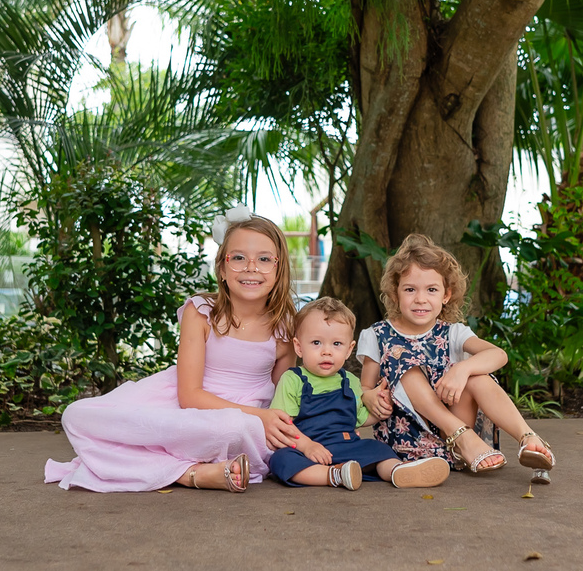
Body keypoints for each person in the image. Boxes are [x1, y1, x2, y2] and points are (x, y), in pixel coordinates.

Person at [44, 208, 300, 493]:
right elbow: (189, 396)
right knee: (76, 415)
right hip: (185, 405)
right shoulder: (201, 312)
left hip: (243, 422)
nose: (251, 267)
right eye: (238, 257)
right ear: (222, 268)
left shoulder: (285, 329)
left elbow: (283, 396)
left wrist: (264, 419)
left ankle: (188, 463)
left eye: (264, 259)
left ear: (279, 269)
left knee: (232, 428)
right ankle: (188, 472)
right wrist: (258, 417)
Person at [357, 234, 556, 477]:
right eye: (410, 289)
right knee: (404, 362)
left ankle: (528, 438)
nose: (420, 299)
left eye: (431, 289)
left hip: (456, 448)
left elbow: (498, 355)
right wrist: (368, 396)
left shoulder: (453, 333)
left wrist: (462, 369)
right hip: (408, 444)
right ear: (395, 294)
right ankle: (463, 437)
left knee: (477, 376)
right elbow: (365, 385)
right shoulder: (377, 334)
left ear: (446, 295)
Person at [267, 298, 451, 490]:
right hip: (309, 449)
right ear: (298, 347)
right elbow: (283, 425)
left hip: (347, 446)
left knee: (378, 449)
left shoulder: (350, 381)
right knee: (281, 459)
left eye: (337, 344)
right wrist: (307, 446)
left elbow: (361, 418)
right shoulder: (293, 379)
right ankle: (334, 475)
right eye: (316, 343)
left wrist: (382, 406)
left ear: (349, 349)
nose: (327, 351)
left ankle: (398, 471)